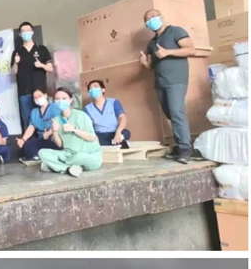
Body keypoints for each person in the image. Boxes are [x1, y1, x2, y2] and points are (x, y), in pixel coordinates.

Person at [140, 9, 197, 164]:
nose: (150, 20)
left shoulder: (175, 31)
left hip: (176, 80)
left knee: (177, 113)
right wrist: (145, 64)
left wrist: (167, 52)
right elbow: (151, 66)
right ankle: (180, 146)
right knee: (171, 114)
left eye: (153, 16)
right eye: (147, 19)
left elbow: (191, 50)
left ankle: (185, 149)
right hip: (160, 82)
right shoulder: (151, 43)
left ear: (161, 17)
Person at [38, 87, 102, 177]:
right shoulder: (56, 119)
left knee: (79, 157)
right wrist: (54, 131)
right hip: (68, 154)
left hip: (88, 155)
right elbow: (60, 145)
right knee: (42, 153)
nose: (61, 101)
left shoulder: (81, 116)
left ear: (70, 100)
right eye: (57, 99)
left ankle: (56, 166)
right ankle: (68, 169)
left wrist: (74, 129)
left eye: (64, 98)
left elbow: (92, 138)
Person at [10, 22, 54, 132]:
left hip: (40, 91)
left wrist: (41, 65)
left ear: (32, 32)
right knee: (28, 120)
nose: (26, 33)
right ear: (20, 34)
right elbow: (14, 72)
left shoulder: (42, 49)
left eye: (28, 30)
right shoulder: (17, 52)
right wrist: (16, 63)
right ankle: (30, 141)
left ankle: (44, 139)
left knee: (44, 118)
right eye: (23, 31)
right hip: (24, 91)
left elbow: (50, 68)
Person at [16, 88, 61, 163]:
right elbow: (31, 127)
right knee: (27, 145)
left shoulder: (54, 108)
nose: (38, 99)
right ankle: (36, 158)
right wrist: (23, 139)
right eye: (35, 98)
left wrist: (48, 133)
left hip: (53, 137)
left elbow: (58, 123)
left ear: (45, 95)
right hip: (41, 138)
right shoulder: (34, 112)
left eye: (40, 96)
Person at [83, 80, 131, 148]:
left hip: (115, 133)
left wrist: (118, 132)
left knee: (126, 132)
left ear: (103, 89)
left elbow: (123, 117)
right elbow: (88, 126)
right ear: (89, 93)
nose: (93, 89)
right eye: (90, 88)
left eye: (95, 87)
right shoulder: (87, 108)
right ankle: (116, 143)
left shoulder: (113, 102)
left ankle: (117, 141)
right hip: (100, 135)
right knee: (91, 139)